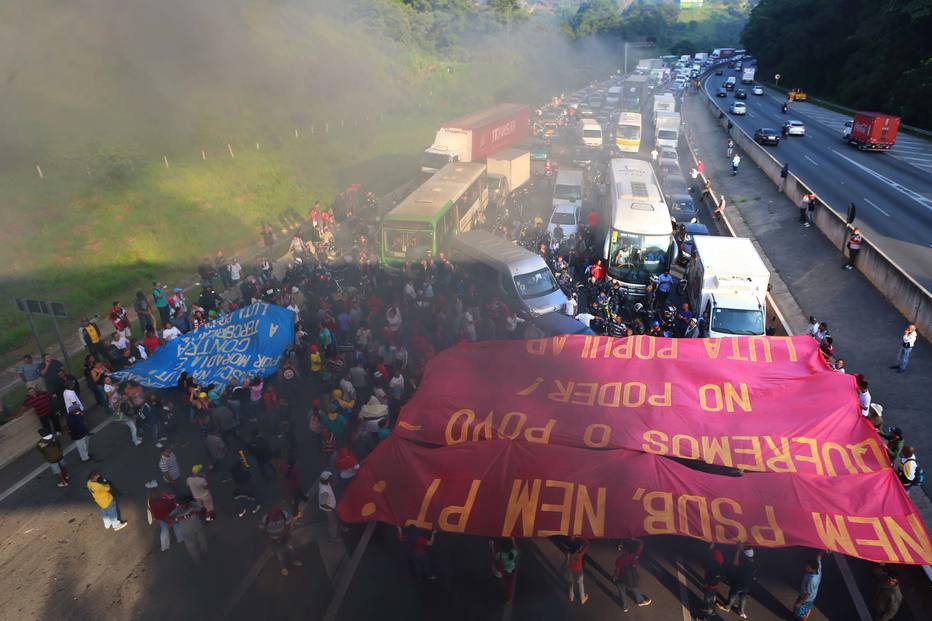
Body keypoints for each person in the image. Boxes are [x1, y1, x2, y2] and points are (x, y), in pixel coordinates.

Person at [259, 507, 303, 576]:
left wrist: (281, 536)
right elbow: (262, 529)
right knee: (279, 555)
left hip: (285, 537)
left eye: (274, 517)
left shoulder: (284, 514)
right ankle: (283, 568)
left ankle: (293, 561)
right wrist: (268, 538)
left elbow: (288, 526)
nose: (272, 519)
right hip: (273, 540)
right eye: (271, 517)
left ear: (278, 515)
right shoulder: (265, 518)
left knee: (291, 549)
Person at [613, 538, 651, 612]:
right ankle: (640, 601)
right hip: (632, 578)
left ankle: (625, 607)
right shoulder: (636, 554)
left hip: (621, 578)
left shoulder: (620, 559)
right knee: (635, 588)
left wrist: (615, 576)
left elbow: (617, 570)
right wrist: (634, 538)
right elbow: (642, 543)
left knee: (622, 591)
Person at [146, 481, 183, 552]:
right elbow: (173, 505)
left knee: (164, 531)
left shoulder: (151, 502)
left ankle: (165, 547)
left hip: (160, 518)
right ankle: (180, 538)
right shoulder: (164, 498)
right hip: (170, 516)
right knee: (176, 525)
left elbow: (154, 514)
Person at [722, 544, 756, 619]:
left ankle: (727, 607)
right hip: (747, 584)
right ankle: (741, 611)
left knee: (732, 594)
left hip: (739, 582)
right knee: (743, 597)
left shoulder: (745, 562)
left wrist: (738, 550)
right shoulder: (754, 562)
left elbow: (735, 563)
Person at [171, 496, 208, 564]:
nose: (183, 505)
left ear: (188, 502)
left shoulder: (193, 504)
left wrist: (197, 512)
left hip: (198, 528)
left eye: (185, 503)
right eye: (182, 504)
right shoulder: (177, 510)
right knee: (191, 548)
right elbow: (170, 520)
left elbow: (203, 509)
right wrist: (180, 518)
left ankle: (206, 557)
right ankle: (197, 562)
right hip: (187, 532)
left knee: (203, 544)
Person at [793, 552, 823, 620]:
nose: (806, 568)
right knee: (797, 609)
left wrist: (800, 603)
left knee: (800, 614)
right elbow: (819, 557)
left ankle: (805, 616)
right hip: (808, 597)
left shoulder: (811, 580)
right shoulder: (818, 568)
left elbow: (808, 594)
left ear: (813, 569)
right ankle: (805, 611)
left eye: (808, 568)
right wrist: (824, 550)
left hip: (806, 599)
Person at [698, 545, 725, 620]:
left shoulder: (712, 565)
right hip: (715, 585)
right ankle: (712, 610)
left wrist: (709, 549)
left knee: (708, 600)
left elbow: (704, 563)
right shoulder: (720, 566)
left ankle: (706, 617)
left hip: (709, 586)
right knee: (712, 599)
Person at [493, 538, 519, 602]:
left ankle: (504, 595)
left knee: (504, 584)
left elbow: (495, 558)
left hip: (504, 571)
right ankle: (508, 598)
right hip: (511, 571)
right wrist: (513, 540)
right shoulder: (512, 553)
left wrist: (492, 546)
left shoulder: (501, 554)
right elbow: (515, 548)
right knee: (510, 585)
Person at [566, 536, 589, 605]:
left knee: (571, 583)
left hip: (570, 570)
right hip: (579, 571)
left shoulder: (569, 553)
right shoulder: (580, 554)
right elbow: (588, 544)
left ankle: (571, 597)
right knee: (580, 584)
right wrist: (582, 537)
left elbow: (567, 563)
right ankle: (582, 598)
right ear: (578, 548)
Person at [318, 470, 339, 542]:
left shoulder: (323, 482)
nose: (331, 478)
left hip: (332, 506)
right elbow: (323, 504)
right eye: (330, 477)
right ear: (327, 479)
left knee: (334, 521)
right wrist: (333, 509)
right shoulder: (324, 491)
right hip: (330, 510)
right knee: (332, 524)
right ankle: (333, 539)